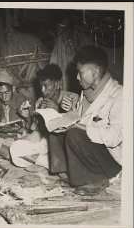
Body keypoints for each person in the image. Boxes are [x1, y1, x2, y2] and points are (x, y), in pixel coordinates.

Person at [48, 45, 122, 195]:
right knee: (55, 130)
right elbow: (82, 118)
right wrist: (68, 114)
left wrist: (82, 127)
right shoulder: (87, 93)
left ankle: (95, 179)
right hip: (96, 154)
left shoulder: (119, 96)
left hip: (114, 162)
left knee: (74, 134)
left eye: (80, 72)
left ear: (94, 72)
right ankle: (66, 173)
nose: (76, 77)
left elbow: (114, 138)